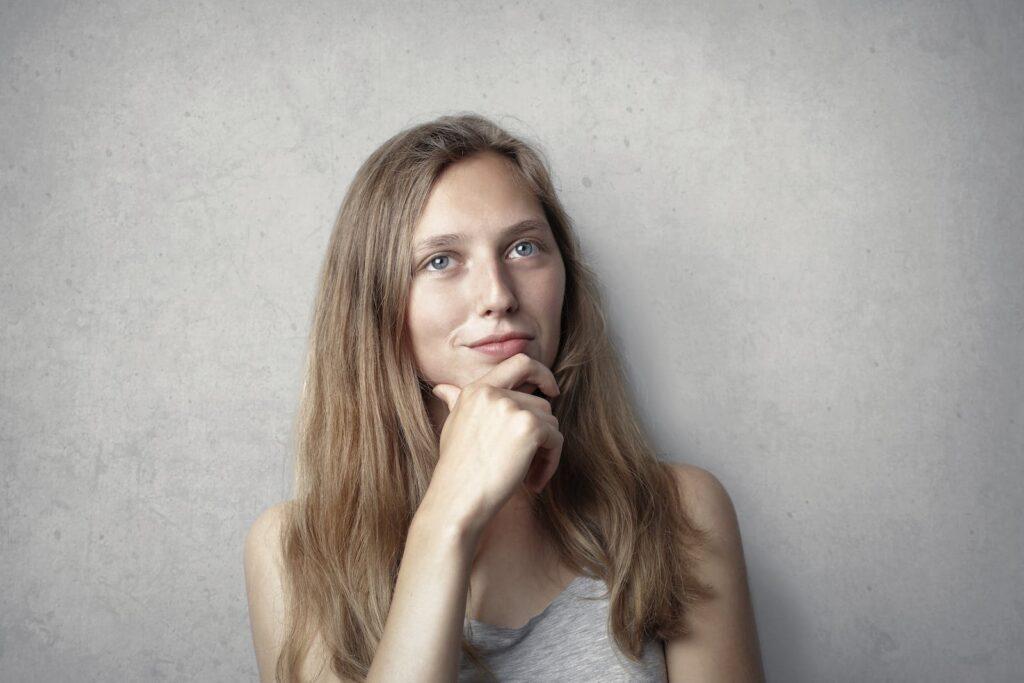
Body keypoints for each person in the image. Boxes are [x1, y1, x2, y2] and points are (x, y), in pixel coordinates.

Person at [244, 113, 765, 682]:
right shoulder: (296, 552)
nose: (497, 295)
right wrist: (447, 519)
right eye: (440, 260)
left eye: (523, 248)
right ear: (376, 305)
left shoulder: (679, 512)